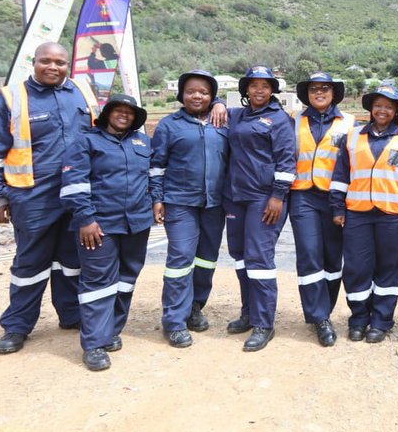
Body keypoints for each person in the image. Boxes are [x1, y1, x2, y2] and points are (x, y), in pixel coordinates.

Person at [0, 42, 99, 355]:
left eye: (59, 62)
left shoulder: (82, 92)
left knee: (72, 263)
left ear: (67, 64)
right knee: (30, 264)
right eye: (46, 61)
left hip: (76, 195)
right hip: (32, 197)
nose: (53, 67)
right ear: (34, 62)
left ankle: (71, 315)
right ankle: (17, 327)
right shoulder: (12, 97)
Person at [60, 94, 153, 372]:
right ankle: (94, 345)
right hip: (99, 225)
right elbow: (74, 183)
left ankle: (111, 330)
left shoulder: (142, 142)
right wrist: (85, 219)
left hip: (137, 223)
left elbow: (153, 176)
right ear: (107, 113)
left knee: (126, 279)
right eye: (118, 110)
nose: (124, 115)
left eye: (129, 112)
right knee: (98, 282)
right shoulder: (87, 141)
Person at [330, 84, 398, 343]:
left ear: (396, 111)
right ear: (371, 109)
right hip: (357, 214)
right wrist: (338, 207)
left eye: (388, 106)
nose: (382, 110)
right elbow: (340, 176)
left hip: (393, 215)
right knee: (356, 268)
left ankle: (381, 321)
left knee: (389, 269)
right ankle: (359, 318)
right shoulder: (352, 137)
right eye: (378, 105)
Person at [149, 70, 229, 349]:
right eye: (191, 91)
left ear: (212, 96)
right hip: (179, 202)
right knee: (181, 258)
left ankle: (195, 306)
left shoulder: (222, 121)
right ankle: (174, 321)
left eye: (205, 92)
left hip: (215, 204)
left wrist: (220, 103)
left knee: (206, 258)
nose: (197, 96)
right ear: (181, 94)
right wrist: (157, 198)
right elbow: (157, 165)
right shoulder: (169, 125)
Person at [223, 66, 297, 352]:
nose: (259, 90)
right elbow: (215, 110)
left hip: (264, 200)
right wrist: (217, 102)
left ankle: (264, 324)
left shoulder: (279, 120)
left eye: (265, 86)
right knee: (240, 257)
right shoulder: (236, 115)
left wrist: (278, 196)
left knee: (259, 258)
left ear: (272, 90)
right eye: (254, 85)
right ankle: (248, 313)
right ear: (246, 89)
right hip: (235, 197)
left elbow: (287, 161)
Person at [288, 71, 354, 347]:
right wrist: (219, 103)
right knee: (309, 255)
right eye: (314, 88)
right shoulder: (293, 120)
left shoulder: (349, 122)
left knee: (332, 259)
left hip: (335, 198)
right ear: (307, 93)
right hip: (302, 196)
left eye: (324, 88)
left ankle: (324, 309)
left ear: (333, 93)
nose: (319, 92)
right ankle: (319, 317)